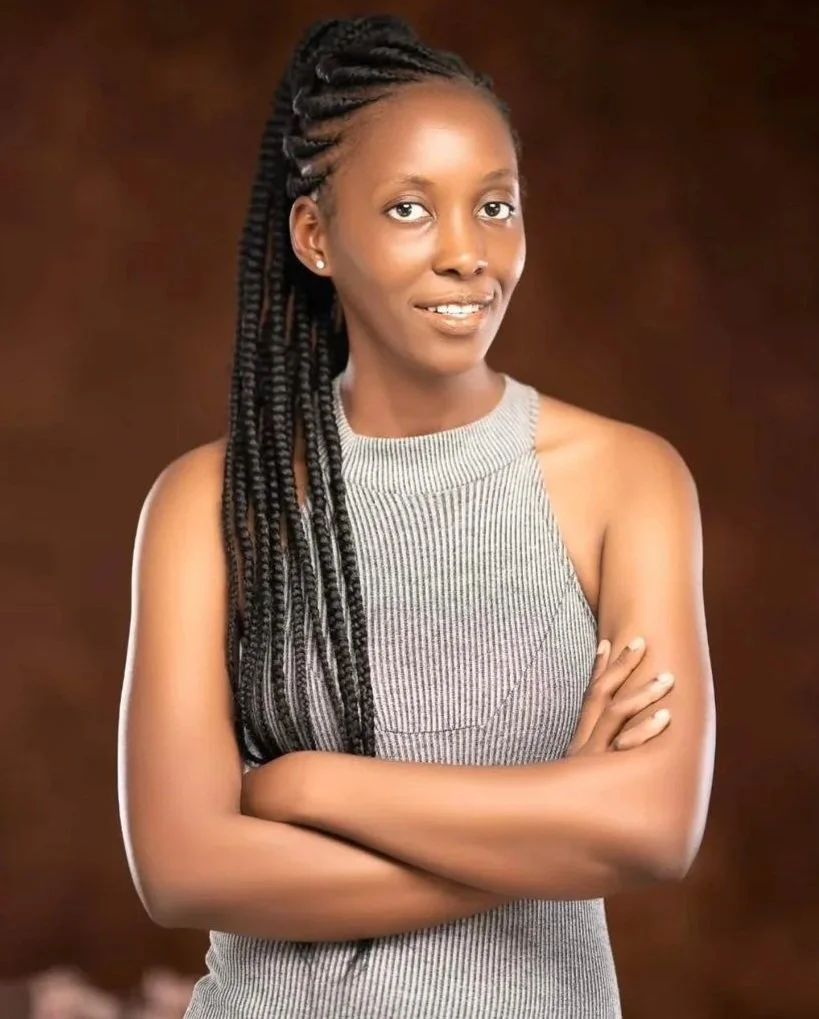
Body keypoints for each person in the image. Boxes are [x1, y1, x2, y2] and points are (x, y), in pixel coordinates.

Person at [117, 15, 715, 1019]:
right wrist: (552, 824)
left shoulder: (630, 480)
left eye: (495, 206)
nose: (467, 254)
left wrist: (311, 786)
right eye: (408, 208)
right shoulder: (208, 503)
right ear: (315, 237)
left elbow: (653, 826)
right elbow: (181, 867)